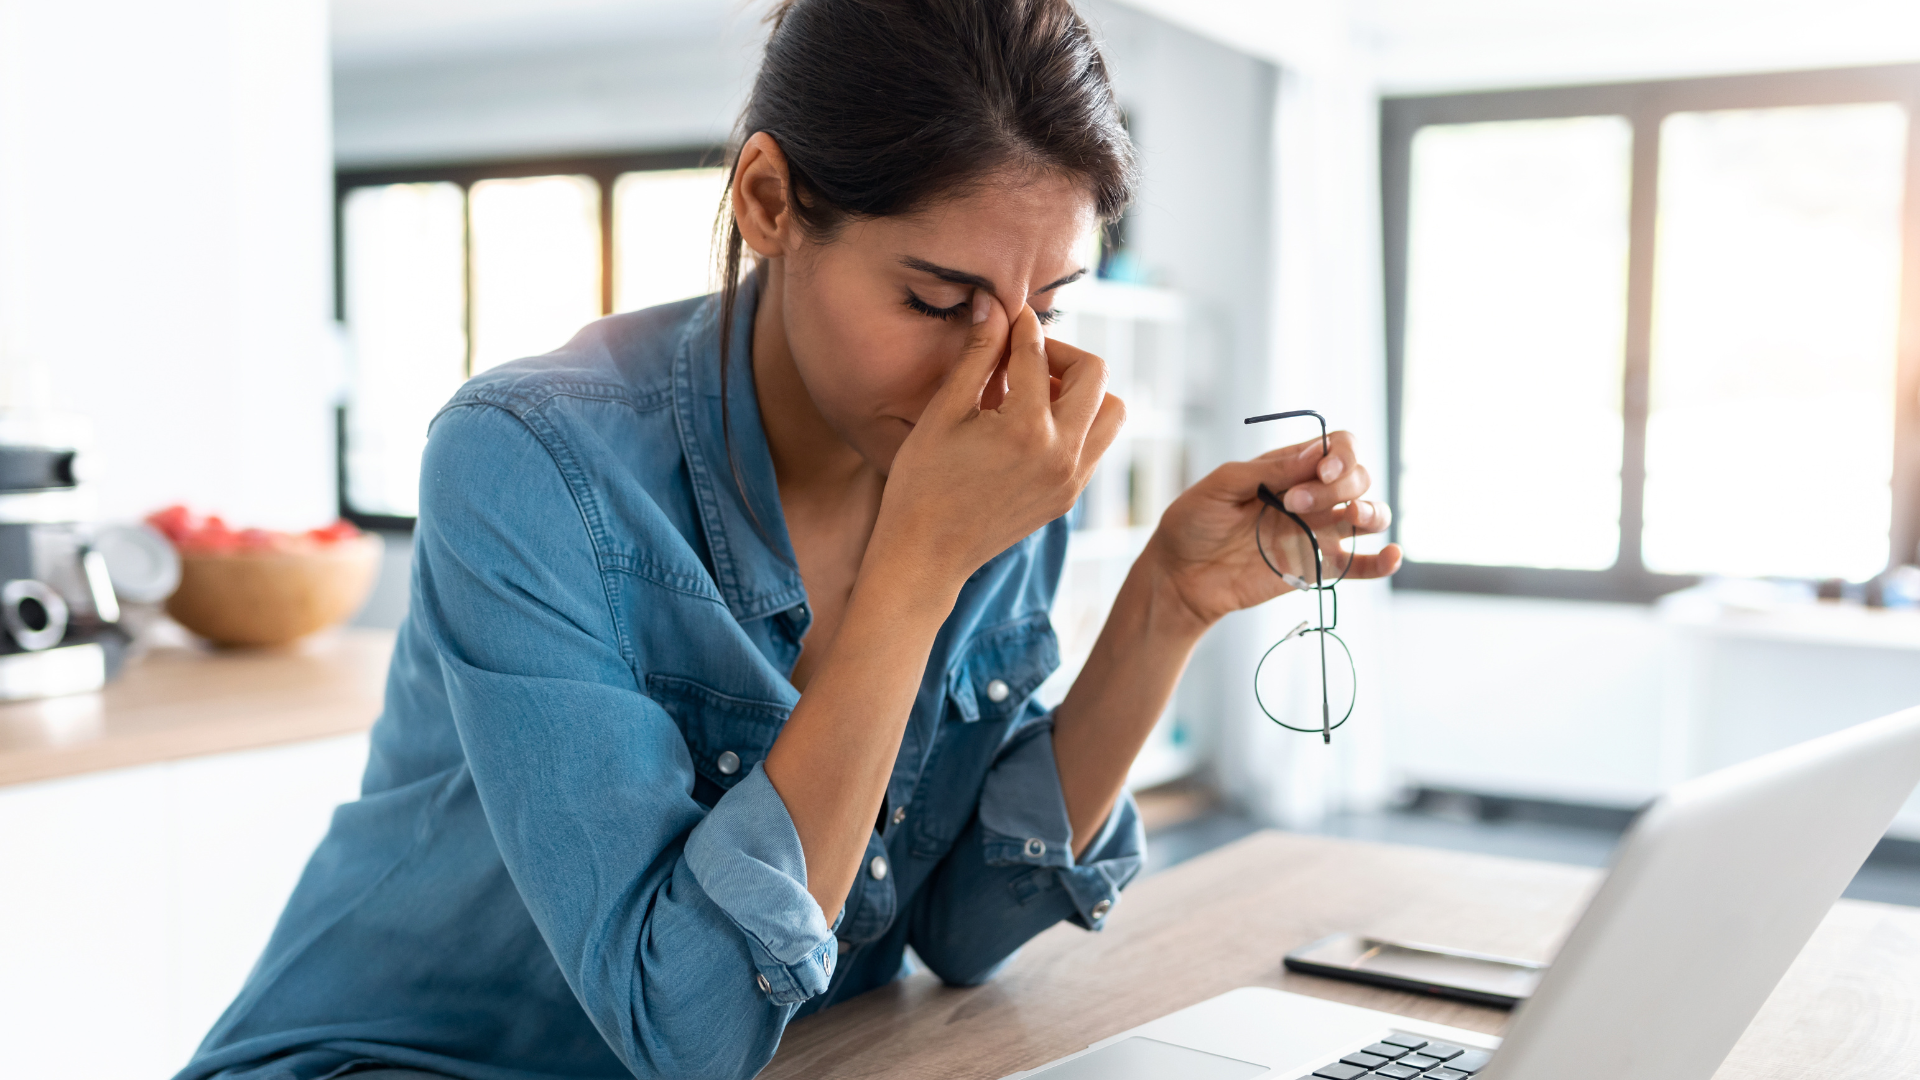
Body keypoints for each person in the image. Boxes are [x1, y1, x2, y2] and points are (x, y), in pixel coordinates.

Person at [177, 1, 1400, 1077]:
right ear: (769, 201)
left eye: (1051, 305)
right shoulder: (529, 459)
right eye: (937, 299)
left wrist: (1165, 607)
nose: (1003, 371)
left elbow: (966, 927)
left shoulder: (988, 453)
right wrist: (917, 572)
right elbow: (686, 1027)